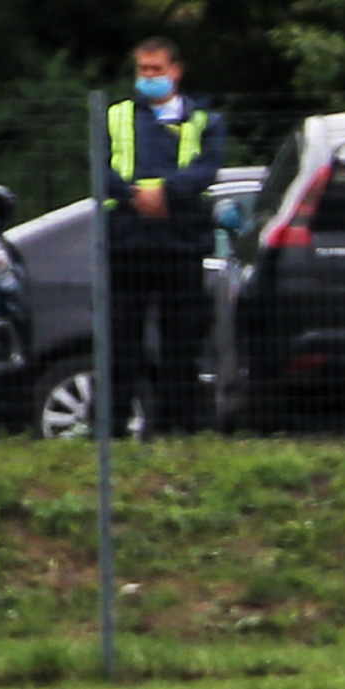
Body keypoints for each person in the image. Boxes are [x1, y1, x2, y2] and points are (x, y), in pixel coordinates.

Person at [97, 32, 223, 430]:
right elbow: (98, 167)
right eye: (142, 69)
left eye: (156, 69)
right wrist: (133, 195)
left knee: (181, 342)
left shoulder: (204, 119)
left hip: (182, 243)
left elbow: (206, 168)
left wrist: (164, 193)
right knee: (122, 340)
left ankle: (175, 429)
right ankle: (113, 430)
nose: (148, 76)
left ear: (176, 71)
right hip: (128, 243)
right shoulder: (117, 115)